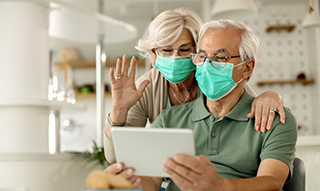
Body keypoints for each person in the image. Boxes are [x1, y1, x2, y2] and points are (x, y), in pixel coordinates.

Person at [104, 8, 286, 165]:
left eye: (184, 50)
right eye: (166, 50)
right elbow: (115, 156)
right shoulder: (146, 87)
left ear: (198, 52)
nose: (175, 57)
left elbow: (248, 103)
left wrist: (270, 96)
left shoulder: (213, 78)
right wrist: (118, 110)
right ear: (153, 54)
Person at [148, 19, 297, 191]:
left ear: (247, 67)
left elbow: (271, 185)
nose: (207, 65)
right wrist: (122, 184)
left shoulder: (274, 120)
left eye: (220, 58)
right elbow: (149, 183)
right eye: (202, 56)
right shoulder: (167, 120)